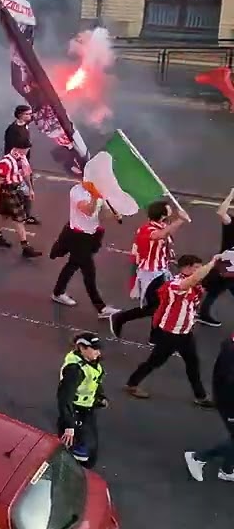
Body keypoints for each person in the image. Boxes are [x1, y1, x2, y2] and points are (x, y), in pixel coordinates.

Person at [124, 254, 219, 408]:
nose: (199, 270)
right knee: (155, 361)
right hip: (171, 333)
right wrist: (212, 262)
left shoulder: (192, 284)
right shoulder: (177, 284)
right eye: (197, 267)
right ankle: (132, 383)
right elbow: (191, 282)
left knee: (192, 363)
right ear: (187, 268)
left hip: (185, 332)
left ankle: (200, 396)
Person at [110, 200, 186, 337]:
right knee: (155, 306)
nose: (171, 212)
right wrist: (180, 220)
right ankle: (121, 318)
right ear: (162, 215)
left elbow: (166, 233)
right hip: (150, 274)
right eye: (168, 210)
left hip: (161, 271)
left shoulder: (162, 225)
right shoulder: (148, 229)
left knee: (160, 304)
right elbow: (160, 235)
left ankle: (154, 334)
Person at [50, 180, 120, 317]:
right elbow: (88, 211)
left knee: (73, 264)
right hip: (78, 237)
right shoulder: (77, 192)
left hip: (91, 236)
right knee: (89, 272)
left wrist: (114, 214)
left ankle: (57, 293)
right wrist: (95, 195)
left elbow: (101, 214)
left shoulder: (100, 189)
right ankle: (101, 308)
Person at [184, 331, 234, 482]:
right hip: (229, 402)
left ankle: (227, 468)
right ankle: (198, 458)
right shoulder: (231, 355)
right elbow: (229, 381)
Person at [57, 333, 107, 467]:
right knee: (81, 449)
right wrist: (69, 425)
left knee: (90, 446)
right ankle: (71, 470)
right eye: (94, 349)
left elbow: (94, 381)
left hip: (87, 408)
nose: (98, 352)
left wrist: (99, 397)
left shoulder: (91, 362)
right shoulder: (74, 370)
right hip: (76, 411)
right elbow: (64, 398)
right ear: (82, 348)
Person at [0, 139, 43, 258]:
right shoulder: (6, 162)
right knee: (19, 219)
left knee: (4, 214)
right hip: (7, 190)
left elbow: (26, 173)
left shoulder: (22, 158)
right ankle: (25, 247)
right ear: (19, 148)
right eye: (26, 149)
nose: (27, 151)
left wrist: (30, 189)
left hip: (16, 189)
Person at [198, 186, 234, 327]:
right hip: (225, 267)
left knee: (217, 290)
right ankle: (203, 314)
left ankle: (203, 313)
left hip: (229, 269)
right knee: (215, 291)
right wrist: (231, 194)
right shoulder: (231, 223)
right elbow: (221, 212)